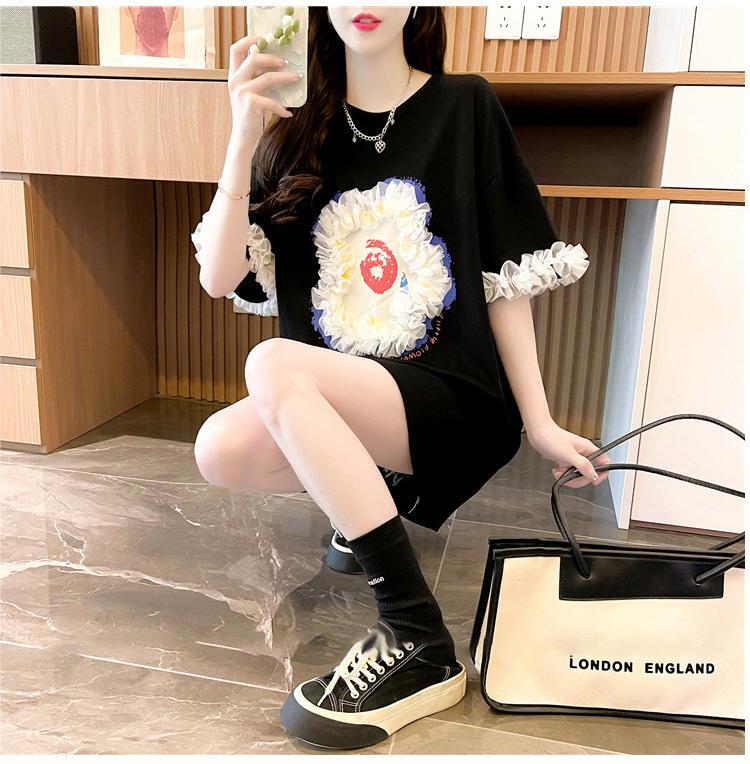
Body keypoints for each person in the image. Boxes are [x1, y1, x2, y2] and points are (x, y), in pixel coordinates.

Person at [191, 6, 611, 750]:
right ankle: (369, 490)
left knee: (271, 364)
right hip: (352, 397)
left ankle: (417, 636)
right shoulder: (293, 130)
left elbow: (502, 282)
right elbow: (220, 277)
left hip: (451, 393)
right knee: (219, 449)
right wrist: (241, 136)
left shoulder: (464, 105)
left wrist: (539, 422)